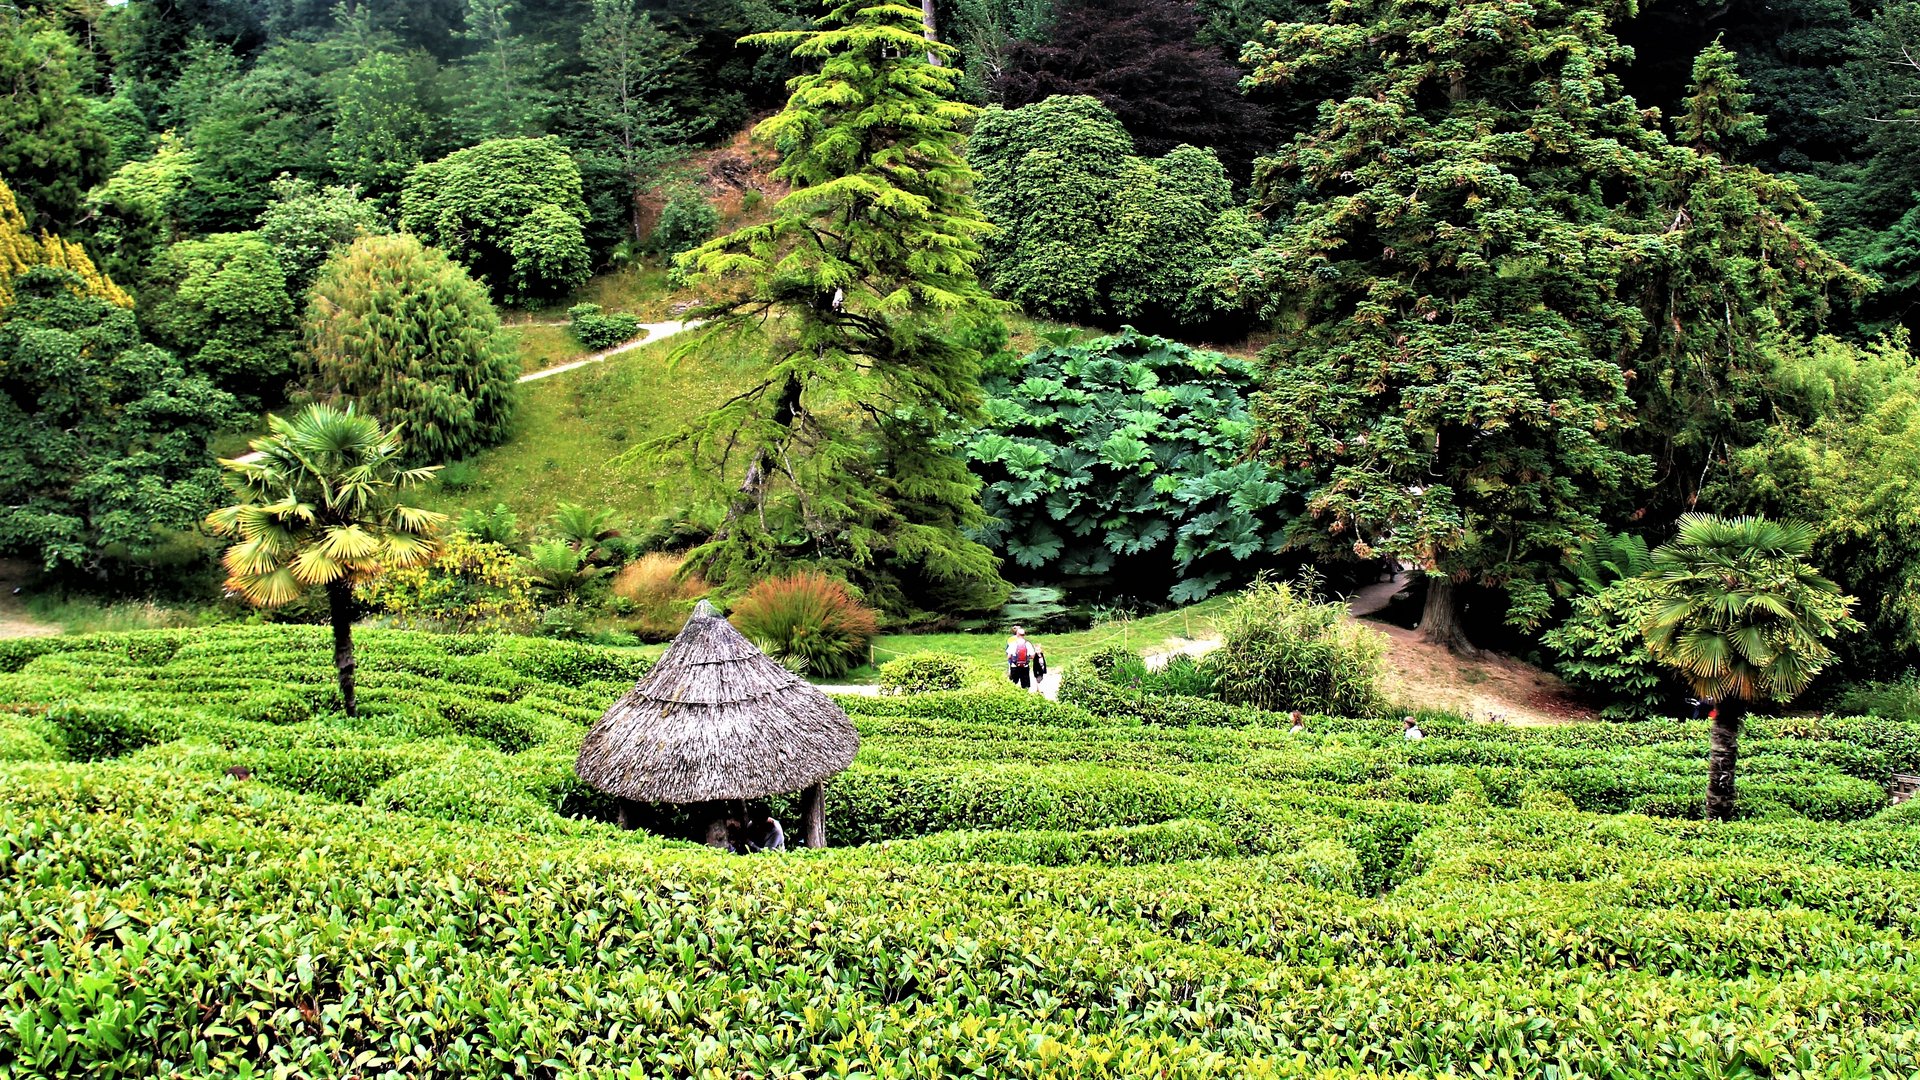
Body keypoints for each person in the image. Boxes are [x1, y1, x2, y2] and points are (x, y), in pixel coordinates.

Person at [1006, 626, 1037, 691]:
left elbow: (1009, 656)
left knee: (1013, 684)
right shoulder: (1028, 644)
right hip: (1025, 667)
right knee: (1025, 685)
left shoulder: (1013, 643)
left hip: (1014, 666)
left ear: (1017, 634)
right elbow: (1032, 656)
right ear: (1024, 635)